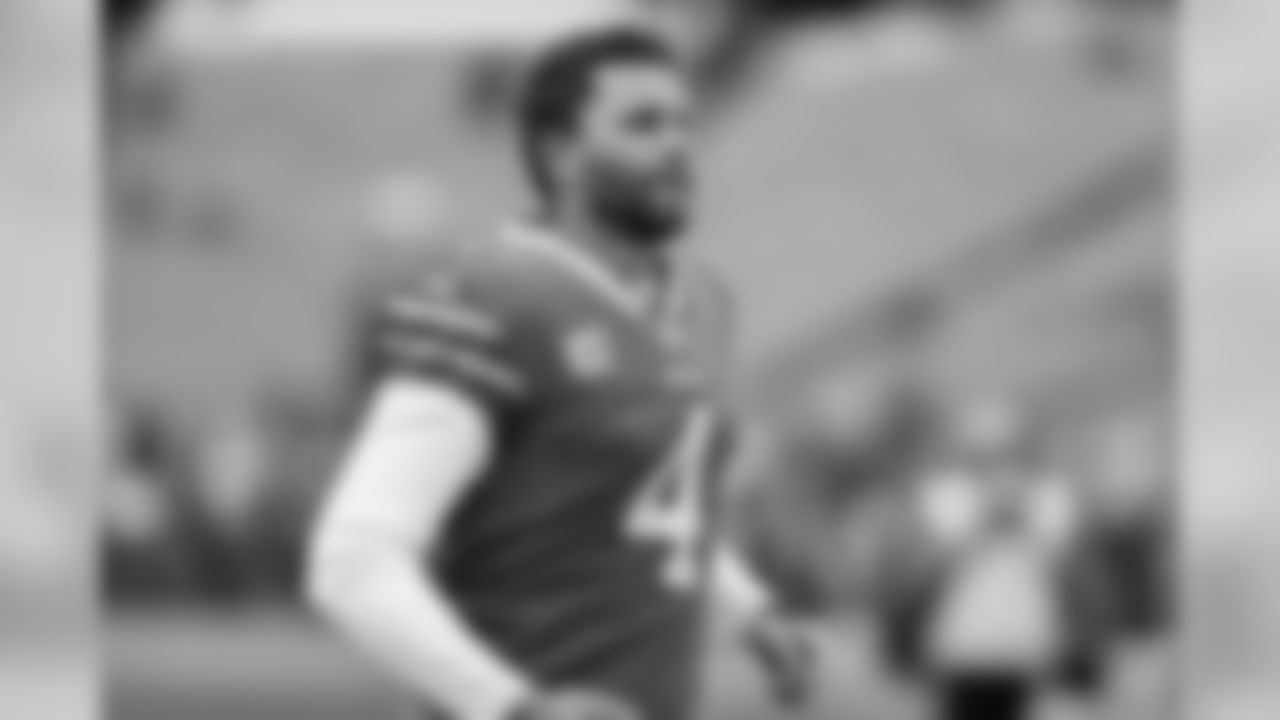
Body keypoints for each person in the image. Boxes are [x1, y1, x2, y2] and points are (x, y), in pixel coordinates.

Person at [305, 27, 813, 720]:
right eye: (643, 124)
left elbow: (650, 509)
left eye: (683, 123)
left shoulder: (704, 300)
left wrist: (749, 612)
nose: (677, 145)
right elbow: (353, 556)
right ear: (561, 152)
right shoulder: (496, 297)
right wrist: (517, 706)